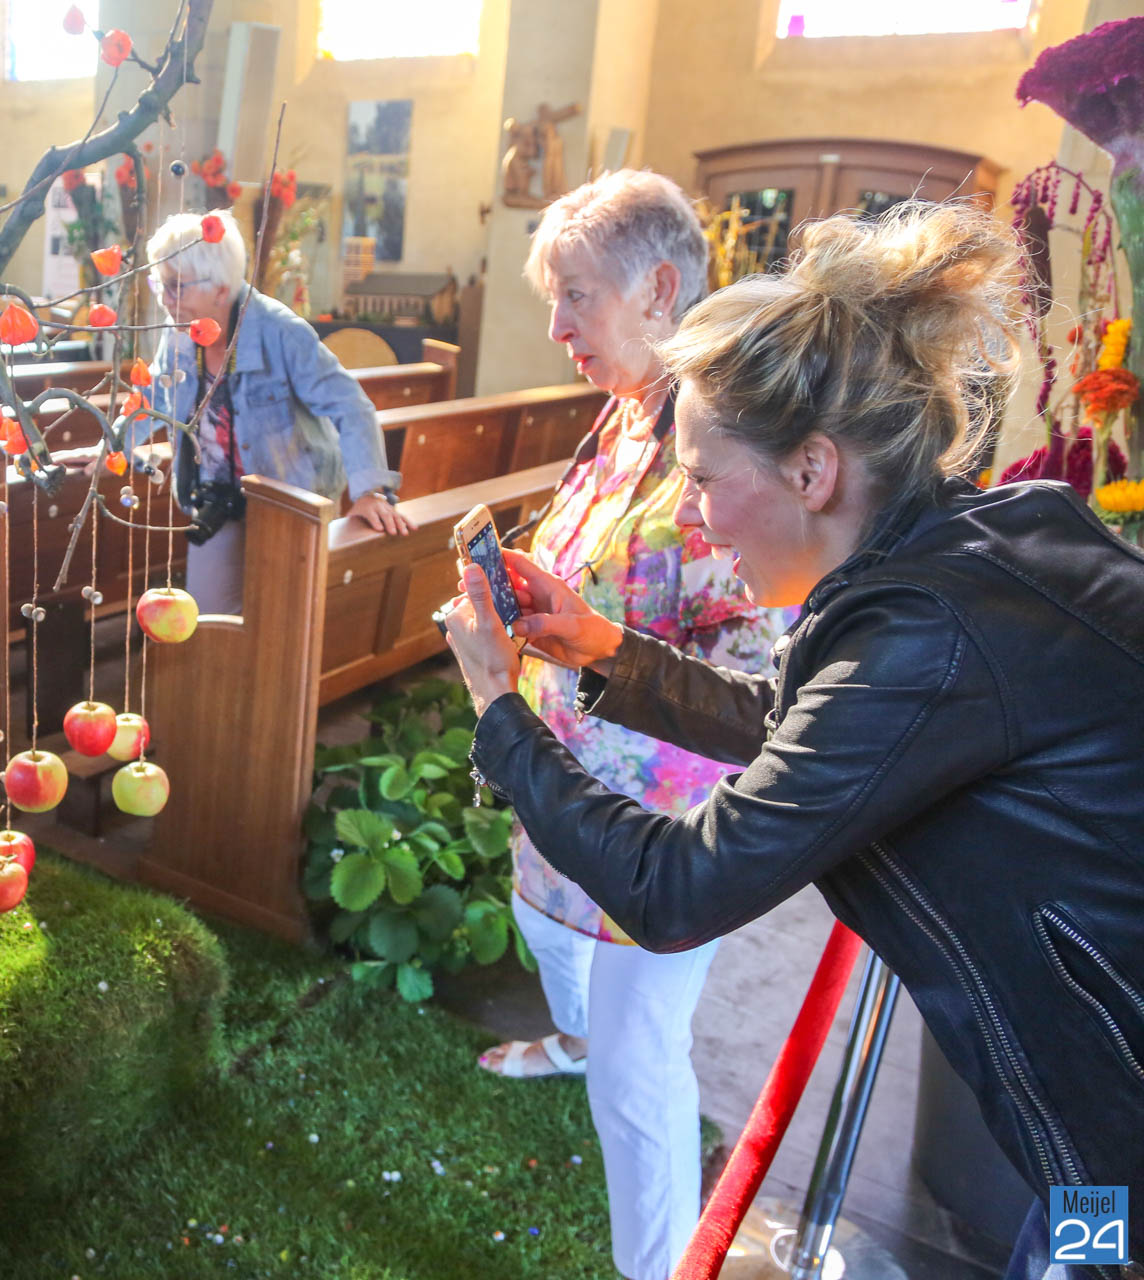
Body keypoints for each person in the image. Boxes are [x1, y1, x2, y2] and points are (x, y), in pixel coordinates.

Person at [443, 201, 1144, 1280]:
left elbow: (677, 888)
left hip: (1114, 1139)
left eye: (704, 478)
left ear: (813, 471)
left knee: (1090, 1252)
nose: (693, 517)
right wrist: (603, 647)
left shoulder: (925, 638)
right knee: (1069, 1236)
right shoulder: (970, 549)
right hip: (1093, 1122)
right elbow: (805, 724)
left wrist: (501, 708)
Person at [473, 170, 793, 1280]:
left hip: (660, 826)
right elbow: (606, 568)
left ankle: (657, 1267)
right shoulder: (619, 415)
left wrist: (593, 640)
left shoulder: (729, 441)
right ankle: (576, 1035)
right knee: (556, 952)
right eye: (552, 299)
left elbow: (758, 688)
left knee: (635, 1075)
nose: (556, 327)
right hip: (566, 787)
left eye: (577, 297)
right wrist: (529, 588)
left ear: (659, 289)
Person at [139, 208, 412, 616]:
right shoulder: (178, 333)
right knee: (209, 620)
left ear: (220, 289)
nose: (165, 299)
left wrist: (369, 491)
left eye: (176, 286)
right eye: (160, 284)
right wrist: (110, 446)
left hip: (290, 499)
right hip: (216, 497)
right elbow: (152, 400)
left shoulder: (281, 332)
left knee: (283, 621)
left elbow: (351, 406)